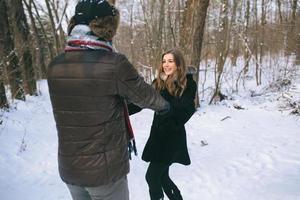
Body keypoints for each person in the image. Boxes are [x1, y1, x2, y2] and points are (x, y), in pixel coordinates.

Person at [47, 1, 169, 200]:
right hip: (104, 174)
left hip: (70, 169)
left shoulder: (55, 66)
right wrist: (165, 106)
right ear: (106, 27)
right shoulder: (113, 64)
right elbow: (145, 95)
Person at [142, 49, 197, 200]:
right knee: (162, 177)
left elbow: (186, 109)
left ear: (178, 64)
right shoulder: (159, 82)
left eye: (170, 61)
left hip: (172, 137)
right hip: (158, 136)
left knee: (152, 177)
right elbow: (143, 101)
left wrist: (167, 112)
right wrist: (123, 109)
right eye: (164, 61)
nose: (166, 64)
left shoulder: (188, 83)